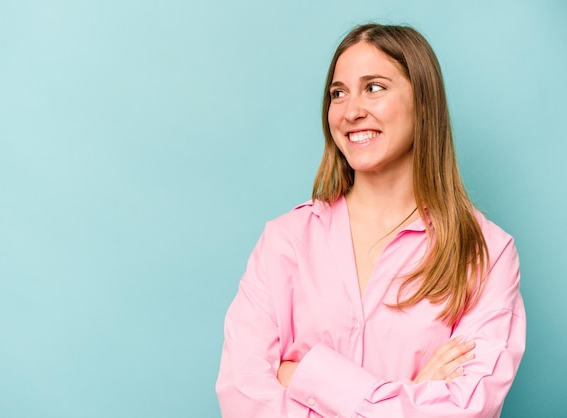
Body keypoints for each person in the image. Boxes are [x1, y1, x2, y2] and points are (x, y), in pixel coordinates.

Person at [216, 23, 525, 417]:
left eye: (374, 87)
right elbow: (243, 400)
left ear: (425, 103)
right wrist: (412, 394)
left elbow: (464, 411)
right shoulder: (285, 241)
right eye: (338, 93)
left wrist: (307, 376)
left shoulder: (486, 254)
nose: (351, 111)